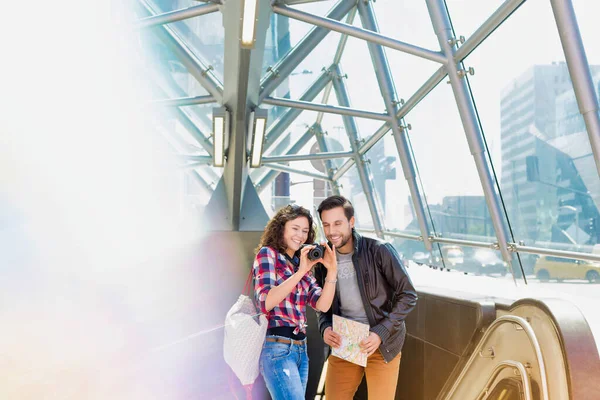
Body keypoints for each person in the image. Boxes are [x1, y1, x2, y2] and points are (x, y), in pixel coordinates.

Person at [314, 195, 417, 400]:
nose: (331, 231)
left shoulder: (379, 250)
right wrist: (324, 327)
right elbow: (322, 304)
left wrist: (380, 332)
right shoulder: (323, 260)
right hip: (345, 342)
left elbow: (408, 294)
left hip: (381, 343)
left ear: (351, 222)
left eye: (337, 223)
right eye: (326, 225)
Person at [253, 204, 338, 400]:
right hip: (277, 347)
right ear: (282, 227)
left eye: (305, 231)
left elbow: (322, 304)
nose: (300, 235)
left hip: (301, 349)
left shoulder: (302, 265)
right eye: (295, 228)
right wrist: (300, 272)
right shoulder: (268, 254)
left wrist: (331, 271)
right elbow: (266, 301)